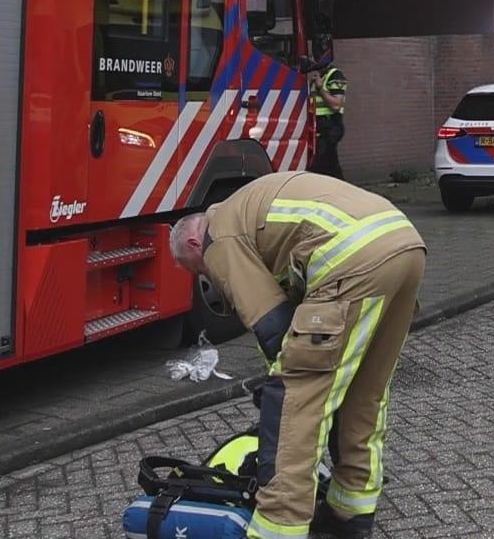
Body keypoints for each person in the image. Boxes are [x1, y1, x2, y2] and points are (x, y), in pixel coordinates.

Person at [167, 169, 426, 539]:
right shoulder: (249, 209)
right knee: (363, 393)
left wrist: (281, 378)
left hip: (352, 259)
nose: (207, 276)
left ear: (194, 245)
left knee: (295, 405)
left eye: (198, 271)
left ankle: (279, 527)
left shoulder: (216, 237)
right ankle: (349, 515)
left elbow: (270, 321)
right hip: (404, 245)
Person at [303, 44, 349, 179]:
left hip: (330, 126)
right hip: (320, 127)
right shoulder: (319, 76)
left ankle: (338, 190)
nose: (312, 59)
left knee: (322, 164)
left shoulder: (336, 75)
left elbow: (336, 104)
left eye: (314, 56)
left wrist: (320, 88)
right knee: (329, 165)